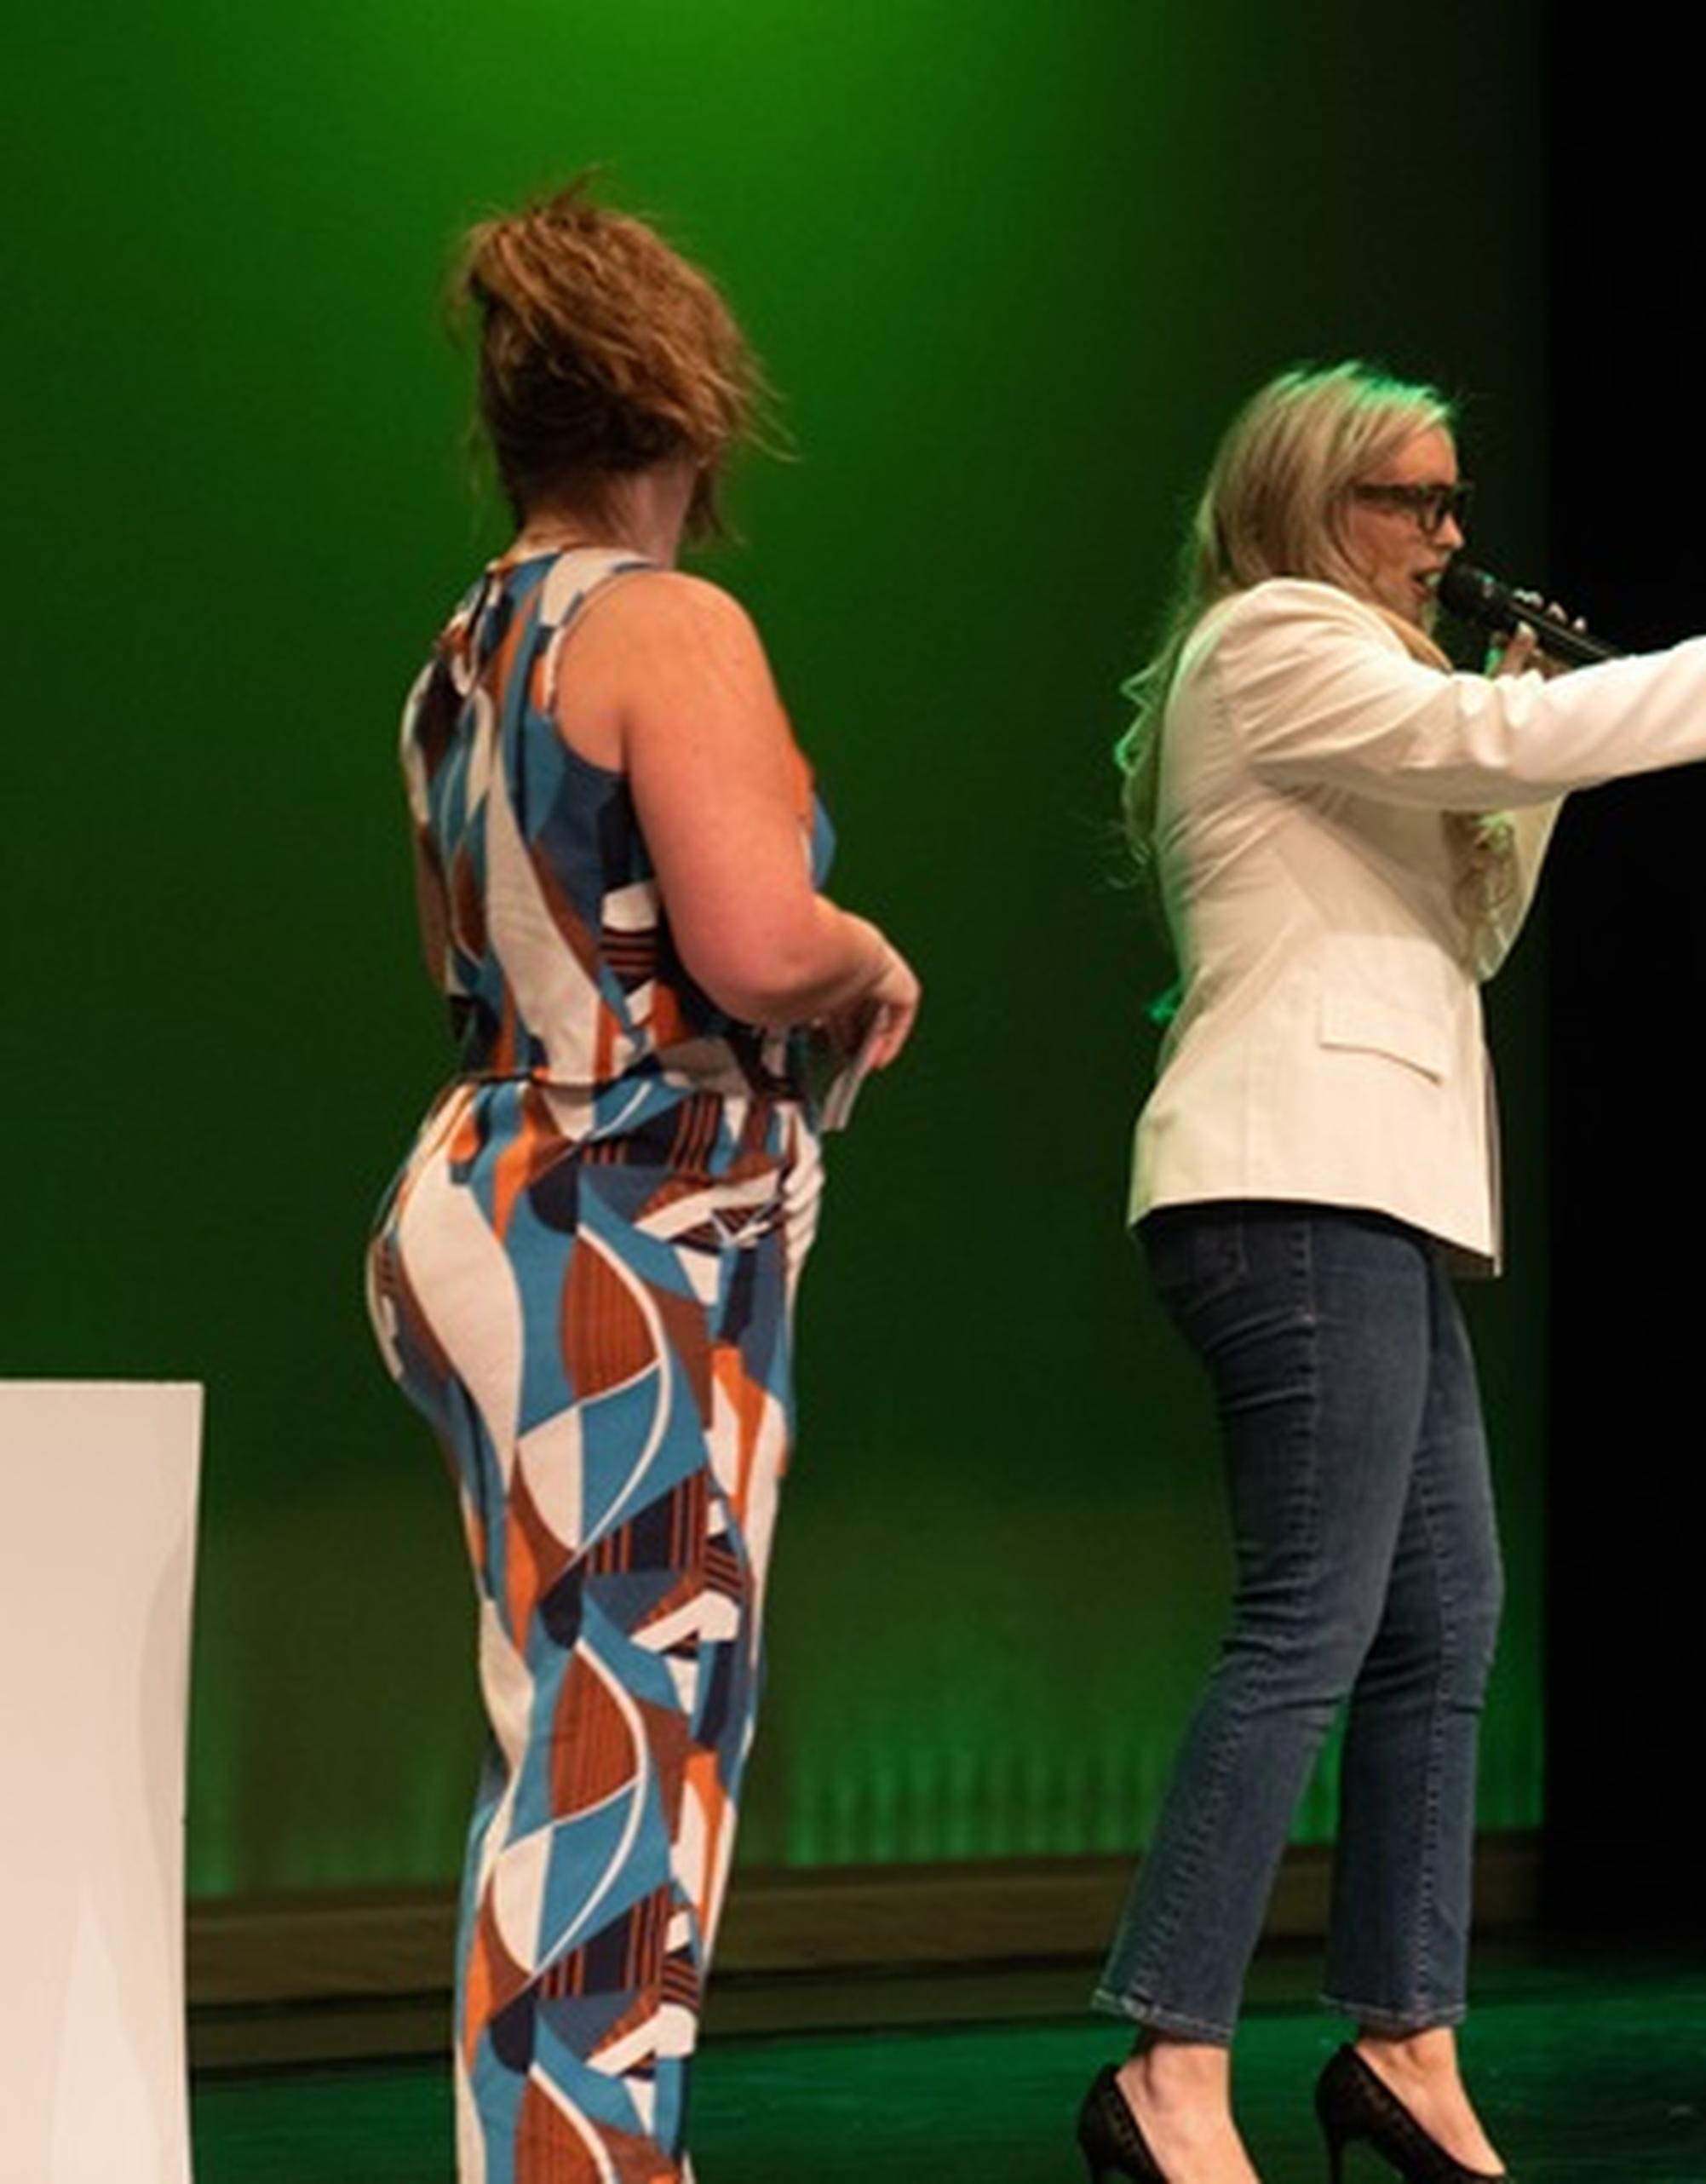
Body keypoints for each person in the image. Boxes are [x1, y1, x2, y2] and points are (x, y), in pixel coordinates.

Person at [1083, 360, 1706, 2184]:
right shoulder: (1272, 636)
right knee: (1311, 1621)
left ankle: (1406, 2041)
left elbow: (1473, 915)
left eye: (1451, 505)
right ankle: (1169, 2060)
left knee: (1445, 1620)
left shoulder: (1385, 686)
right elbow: (1477, 753)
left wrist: (1532, 737)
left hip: (1374, 1192)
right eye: (1408, 504)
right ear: (1304, 502)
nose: (1445, 540)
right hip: (1288, 1182)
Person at [365, 182, 919, 2184]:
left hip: (509, 1177)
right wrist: (868, 956)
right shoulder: (661, 620)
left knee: (577, 1724)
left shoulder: (468, 640)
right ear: (684, 405)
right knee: (628, 1737)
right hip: (628, 1199)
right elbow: (758, 940)